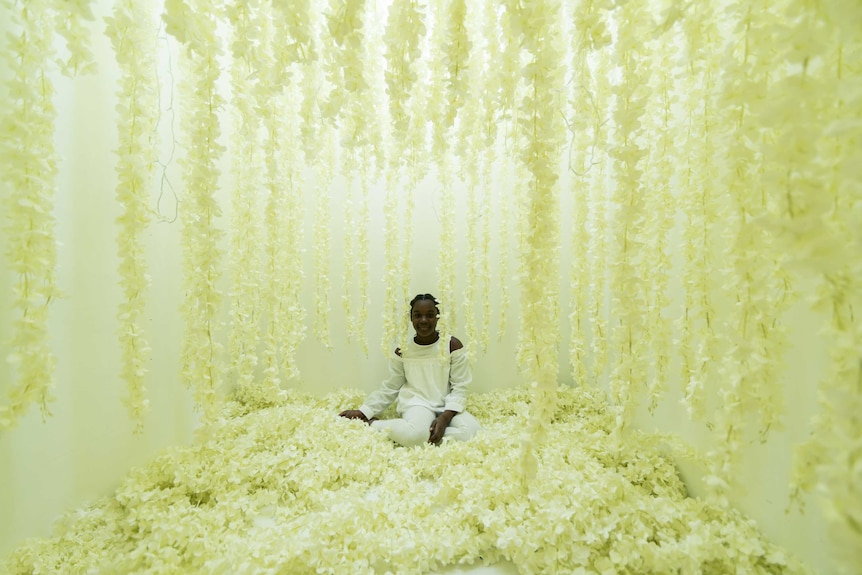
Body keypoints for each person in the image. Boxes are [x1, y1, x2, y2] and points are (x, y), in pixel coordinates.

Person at [339, 293, 481, 447]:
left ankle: (421, 434)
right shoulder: (403, 350)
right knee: (415, 436)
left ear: (438, 317)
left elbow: (460, 386)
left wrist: (444, 418)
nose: (424, 320)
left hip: (447, 406)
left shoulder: (451, 345)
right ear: (411, 318)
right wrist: (364, 412)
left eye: (430, 315)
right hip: (417, 404)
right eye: (417, 315)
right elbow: (391, 388)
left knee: (474, 433)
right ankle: (374, 424)